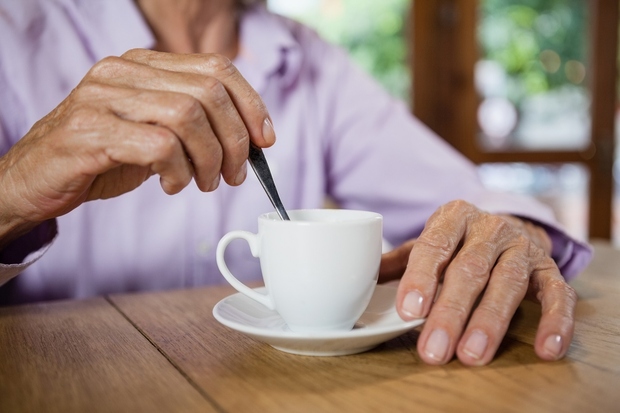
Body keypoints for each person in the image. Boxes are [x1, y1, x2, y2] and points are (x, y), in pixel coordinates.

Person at [0, 0, 592, 367]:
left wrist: (505, 234)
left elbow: (480, 203)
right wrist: (13, 189)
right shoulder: (12, 33)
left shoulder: (309, 61)